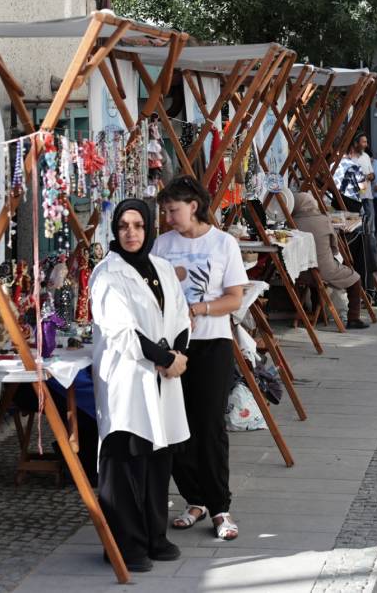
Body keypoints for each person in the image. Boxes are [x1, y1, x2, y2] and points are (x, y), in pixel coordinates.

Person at [90, 198, 190, 572]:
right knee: (126, 460)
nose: (131, 233)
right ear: (115, 231)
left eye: (138, 226)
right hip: (128, 379)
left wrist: (178, 354)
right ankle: (126, 544)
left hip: (164, 377)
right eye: (124, 226)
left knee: (157, 458)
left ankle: (154, 536)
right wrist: (165, 359)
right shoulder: (107, 274)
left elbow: (180, 314)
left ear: (148, 229)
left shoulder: (162, 268)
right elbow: (119, 330)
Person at [153, 176, 248, 540]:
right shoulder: (162, 245)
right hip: (173, 346)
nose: (169, 218)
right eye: (165, 211)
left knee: (209, 426)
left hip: (212, 343)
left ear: (194, 205)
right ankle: (195, 500)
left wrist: (200, 307)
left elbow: (234, 298)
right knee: (175, 427)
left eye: (173, 210)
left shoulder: (223, 244)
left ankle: (220, 506)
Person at [291, 191, 369, 329]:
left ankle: (319, 313)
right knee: (355, 279)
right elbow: (334, 247)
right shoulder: (323, 219)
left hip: (300, 271)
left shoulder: (292, 222)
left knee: (316, 279)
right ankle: (353, 317)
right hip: (324, 270)